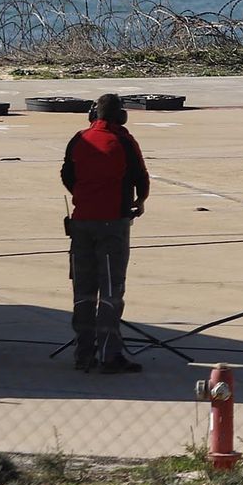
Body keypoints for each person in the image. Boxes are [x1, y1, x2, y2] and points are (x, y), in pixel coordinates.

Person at [60, 93, 150, 373]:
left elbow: (67, 174)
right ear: (120, 116)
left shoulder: (79, 138)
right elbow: (141, 178)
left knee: (83, 291)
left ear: (93, 115)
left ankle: (83, 354)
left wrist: (83, 196)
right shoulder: (124, 140)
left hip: (81, 223)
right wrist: (139, 201)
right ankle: (110, 355)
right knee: (111, 292)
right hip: (113, 224)